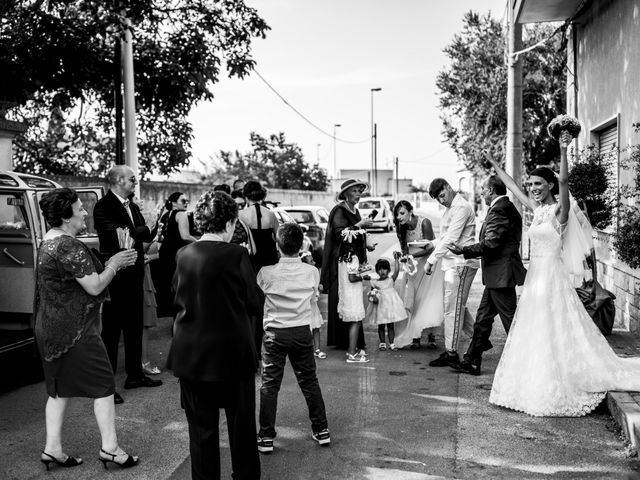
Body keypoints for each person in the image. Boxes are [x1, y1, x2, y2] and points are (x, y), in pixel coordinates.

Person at [487, 131, 640, 416]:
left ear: (549, 185)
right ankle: (532, 381)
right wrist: (496, 166)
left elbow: (565, 181)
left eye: (538, 183)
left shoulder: (560, 211)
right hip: (536, 282)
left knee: (554, 327)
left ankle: (555, 381)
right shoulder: (537, 210)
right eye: (530, 183)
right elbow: (513, 188)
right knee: (535, 329)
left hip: (553, 278)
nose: (532, 188)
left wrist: (563, 149)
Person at [35, 188, 139, 470]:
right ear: (66, 216)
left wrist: (109, 264)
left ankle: (53, 448)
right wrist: (115, 265)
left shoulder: (49, 241)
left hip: (50, 327)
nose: (84, 213)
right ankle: (111, 449)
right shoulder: (67, 245)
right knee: (104, 386)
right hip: (75, 331)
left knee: (59, 390)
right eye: (80, 208)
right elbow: (94, 285)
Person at [167, 190, 263, 479]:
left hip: (191, 355)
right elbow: (254, 302)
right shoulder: (237, 254)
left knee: (201, 433)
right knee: (241, 430)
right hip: (232, 354)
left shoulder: (183, 254)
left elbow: (175, 295)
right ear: (231, 222)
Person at [256, 223, 330, 454]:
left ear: (278, 246)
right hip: (301, 330)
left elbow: (258, 298)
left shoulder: (265, 272)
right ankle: (321, 429)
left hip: (275, 333)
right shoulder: (311, 272)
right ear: (301, 245)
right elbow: (314, 295)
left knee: (270, 384)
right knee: (309, 380)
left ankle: (266, 435)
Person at [94, 166, 162, 404]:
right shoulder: (103, 206)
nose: (135, 182)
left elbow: (140, 236)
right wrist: (144, 228)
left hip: (135, 274)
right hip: (115, 276)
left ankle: (134, 375)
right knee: (111, 332)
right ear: (118, 180)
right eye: (132, 178)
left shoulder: (132, 205)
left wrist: (144, 230)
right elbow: (117, 237)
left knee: (134, 326)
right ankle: (106, 385)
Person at [447, 175, 526, 376]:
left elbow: (492, 243)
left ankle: (526, 362)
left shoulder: (500, 209)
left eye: (483, 189)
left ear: (491, 189)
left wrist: (463, 250)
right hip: (497, 275)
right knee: (482, 319)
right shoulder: (503, 207)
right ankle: (471, 361)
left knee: (511, 322)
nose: (481, 192)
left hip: (501, 274)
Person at [424, 179, 478, 368]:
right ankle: (479, 340)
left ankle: (451, 352)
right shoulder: (450, 209)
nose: (441, 200)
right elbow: (445, 237)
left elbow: (452, 238)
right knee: (458, 307)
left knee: (452, 309)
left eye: (441, 195)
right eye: (437, 199)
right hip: (453, 264)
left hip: (461, 263)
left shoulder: (461, 208)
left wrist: (431, 259)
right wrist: (430, 244)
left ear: (448, 187)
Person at [320, 179, 373, 353]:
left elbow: (355, 235)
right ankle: (343, 340)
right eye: (356, 191)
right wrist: (360, 225)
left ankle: (349, 340)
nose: (359, 194)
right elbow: (339, 235)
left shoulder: (355, 210)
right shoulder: (339, 211)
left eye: (360, 191)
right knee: (342, 297)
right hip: (341, 263)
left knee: (350, 299)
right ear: (345, 193)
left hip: (352, 260)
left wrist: (367, 244)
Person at [391, 200, 442, 349]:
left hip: (427, 265)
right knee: (414, 299)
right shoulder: (400, 228)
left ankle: (431, 334)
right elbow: (404, 249)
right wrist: (402, 256)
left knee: (428, 298)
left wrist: (414, 256)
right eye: (397, 214)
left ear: (410, 211)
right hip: (412, 267)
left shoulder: (424, 223)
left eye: (402, 213)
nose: (399, 217)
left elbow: (431, 248)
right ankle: (415, 335)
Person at [157, 191, 197, 316]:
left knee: (167, 283)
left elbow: (161, 237)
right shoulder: (181, 214)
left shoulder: (165, 215)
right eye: (183, 201)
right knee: (180, 286)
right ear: (174, 203)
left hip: (165, 251)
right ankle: (179, 318)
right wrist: (200, 242)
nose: (186, 204)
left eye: (187, 201)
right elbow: (185, 236)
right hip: (177, 253)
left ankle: (169, 313)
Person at [338, 220, 372, 363]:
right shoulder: (355, 257)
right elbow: (352, 277)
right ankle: (352, 353)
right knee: (356, 322)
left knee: (353, 322)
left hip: (346, 293)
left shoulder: (343, 257)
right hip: (353, 294)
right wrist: (364, 276)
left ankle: (352, 350)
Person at [365, 256, 407, 351]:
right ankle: (382, 343)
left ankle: (392, 343)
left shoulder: (391, 280)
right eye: (380, 269)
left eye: (384, 269)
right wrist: (373, 297)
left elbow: (396, 271)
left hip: (391, 307)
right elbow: (372, 294)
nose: (382, 271)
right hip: (380, 307)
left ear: (388, 270)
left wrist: (396, 259)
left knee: (391, 325)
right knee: (381, 325)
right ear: (377, 271)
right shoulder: (374, 282)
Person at [239, 180, 279, 272]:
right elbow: (279, 237)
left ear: (245, 196)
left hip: (250, 258)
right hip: (270, 258)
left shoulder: (240, 214)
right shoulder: (270, 214)